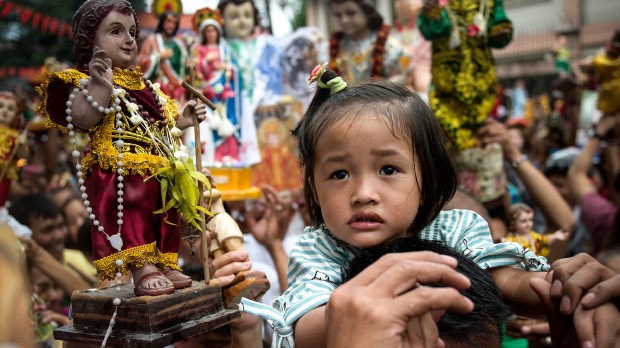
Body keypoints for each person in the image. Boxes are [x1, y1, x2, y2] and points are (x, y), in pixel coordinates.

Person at [239, 65, 620, 347]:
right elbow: (309, 323)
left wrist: (563, 292)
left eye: (388, 169)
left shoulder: (455, 229)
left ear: (428, 178)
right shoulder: (320, 248)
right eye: (339, 174)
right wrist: (376, 319)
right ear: (313, 189)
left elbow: (502, 280)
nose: (363, 193)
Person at [36, 0, 207, 296]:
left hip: (160, 167)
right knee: (134, 212)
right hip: (121, 168)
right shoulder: (87, 81)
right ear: (91, 41)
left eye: (132, 32)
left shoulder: (147, 87)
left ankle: (165, 262)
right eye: (116, 31)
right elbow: (84, 116)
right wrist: (101, 85)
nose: (129, 39)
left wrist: (184, 120)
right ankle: (142, 266)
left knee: (163, 215)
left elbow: (159, 126)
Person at [418, 0, 513, 151]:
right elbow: (431, 30)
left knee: (484, 138)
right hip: (447, 82)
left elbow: (499, 28)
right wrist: (433, 11)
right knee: (445, 140)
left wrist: (500, 31)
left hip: (480, 79)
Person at [217, 0, 283, 166]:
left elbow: (273, 74)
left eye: (247, 15)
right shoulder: (220, 47)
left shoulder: (265, 45)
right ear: (222, 20)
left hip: (263, 105)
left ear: (255, 18)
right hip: (233, 106)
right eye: (234, 16)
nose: (242, 21)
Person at [190, 9, 242, 163]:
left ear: (218, 32)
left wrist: (228, 69)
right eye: (208, 30)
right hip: (208, 92)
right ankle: (215, 156)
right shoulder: (198, 49)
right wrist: (206, 61)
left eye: (213, 30)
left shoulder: (225, 49)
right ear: (204, 33)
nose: (211, 33)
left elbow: (235, 69)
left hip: (226, 93)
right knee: (212, 121)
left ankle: (230, 155)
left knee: (227, 120)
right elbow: (193, 70)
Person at [326, 0, 404, 86]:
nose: (344, 20)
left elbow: (400, 78)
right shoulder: (332, 48)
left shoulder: (388, 45)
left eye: (350, 13)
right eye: (338, 15)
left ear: (367, 12)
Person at [137, 10, 188, 101]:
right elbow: (141, 62)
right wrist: (158, 57)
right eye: (168, 21)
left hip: (178, 88)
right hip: (159, 87)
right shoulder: (152, 40)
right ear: (162, 22)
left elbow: (184, 67)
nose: (171, 25)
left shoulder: (178, 43)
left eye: (174, 22)